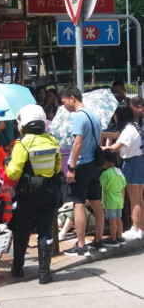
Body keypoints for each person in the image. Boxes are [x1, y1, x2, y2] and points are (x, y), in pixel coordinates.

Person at [5, 104, 61, 284]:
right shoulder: (52, 140)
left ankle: (18, 268)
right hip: (51, 192)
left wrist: (7, 165)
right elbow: (58, 167)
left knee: (22, 230)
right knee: (45, 231)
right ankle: (44, 273)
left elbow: (13, 173)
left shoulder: (23, 143)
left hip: (28, 194)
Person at [61, 85, 105, 256]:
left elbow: (77, 143)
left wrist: (71, 168)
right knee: (96, 202)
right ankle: (98, 241)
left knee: (78, 203)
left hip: (82, 165)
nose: (64, 105)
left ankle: (80, 245)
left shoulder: (79, 117)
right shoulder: (94, 115)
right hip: (95, 164)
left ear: (72, 98)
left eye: (64, 102)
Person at [106, 102, 144, 239]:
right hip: (139, 162)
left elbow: (114, 148)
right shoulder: (136, 126)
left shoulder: (128, 130)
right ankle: (141, 226)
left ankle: (136, 228)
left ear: (119, 115)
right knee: (139, 197)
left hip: (131, 163)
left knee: (133, 198)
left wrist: (101, 148)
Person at [100, 148, 126, 247]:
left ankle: (113, 239)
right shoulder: (119, 171)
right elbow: (123, 187)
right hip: (119, 200)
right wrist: (123, 199)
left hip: (109, 201)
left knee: (112, 221)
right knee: (119, 219)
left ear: (104, 161)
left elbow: (100, 184)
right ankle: (120, 237)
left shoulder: (105, 174)